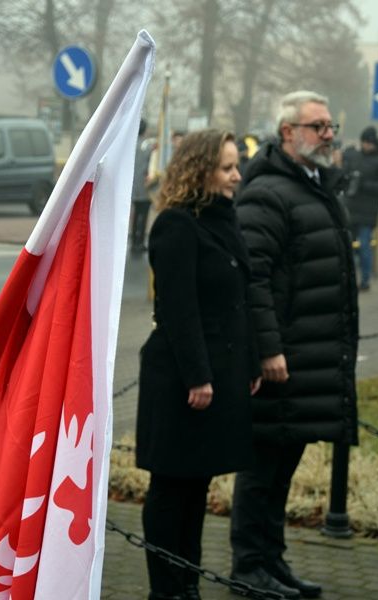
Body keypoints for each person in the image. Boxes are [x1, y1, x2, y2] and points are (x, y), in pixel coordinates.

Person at [231, 90, 359, 600]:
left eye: (330, 125)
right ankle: (248, 566)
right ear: (288, 133)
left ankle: (272, 560)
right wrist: (268, 348)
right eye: (318, 126)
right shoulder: (268, 193)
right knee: (262, 470)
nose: (329, 134)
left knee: (282, 467)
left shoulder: (315, 185)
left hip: (310, 354)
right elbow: (252, 278)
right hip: (281, 359)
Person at [135, 129, 262, 600]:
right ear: (200, 169)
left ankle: (187, 584)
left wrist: (247, 363)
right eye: (227, 167)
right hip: (182, 381)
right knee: (171, 489)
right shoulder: (176, 225)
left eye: (236, 166)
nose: (236, 176)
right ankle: (166, 590)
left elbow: (237, 302)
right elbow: (178, 309)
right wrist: (199, 377)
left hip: (216, 375)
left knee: (196, 489)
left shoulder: (223, 220)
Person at [344, 125, 378, 290]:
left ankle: (365, 279)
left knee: (365, 246)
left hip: (368, 210)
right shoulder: (356, 157)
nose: (365, 145)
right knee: (346, 246)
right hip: (351, 207)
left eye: (367, 143)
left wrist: (364, 184)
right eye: (363, 142)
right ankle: (346, 277)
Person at [131, 118, 154, 254]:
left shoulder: (132, 145)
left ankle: (134, 241)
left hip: (134, 187)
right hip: (146, 187)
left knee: (135, 214)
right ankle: (140, 242)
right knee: (143, 215)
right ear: (144, 130)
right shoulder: (148, 147)